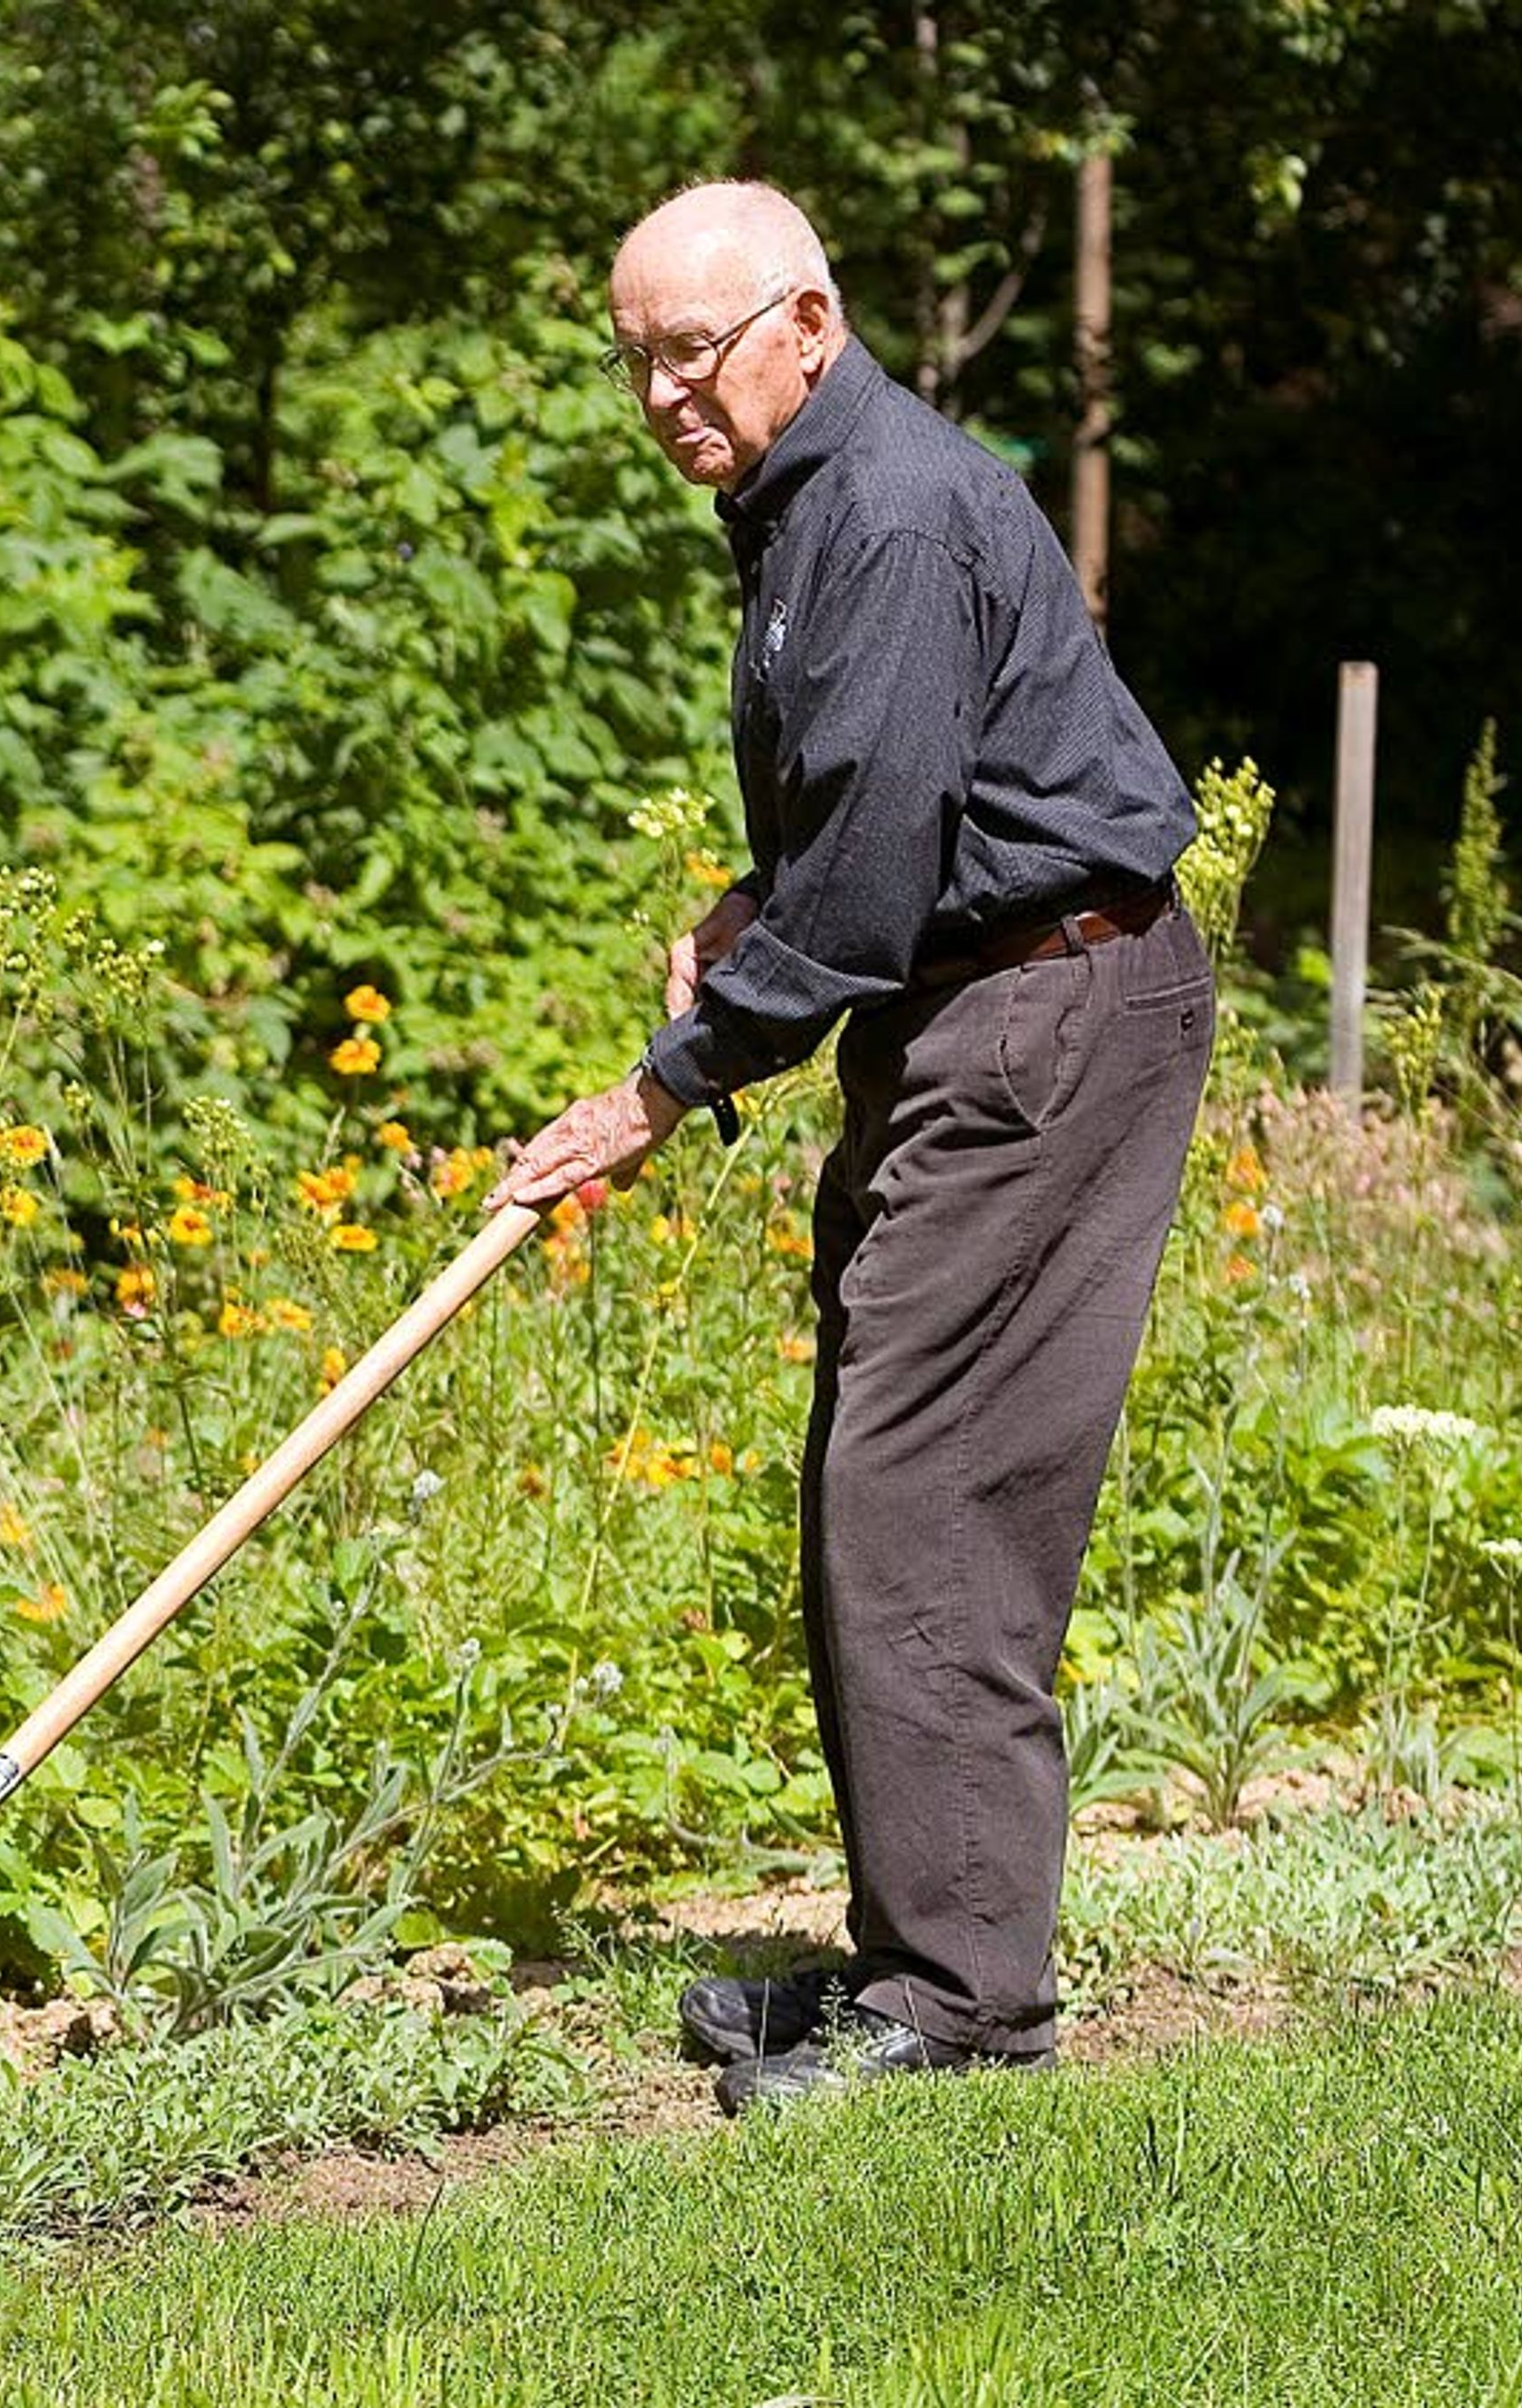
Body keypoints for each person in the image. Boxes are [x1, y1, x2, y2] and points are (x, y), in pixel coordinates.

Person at [485, 181, 1215, 2113]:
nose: (660, 391)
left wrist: (666, 1082)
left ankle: (962, 2010)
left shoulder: (879, 506)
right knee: (888, 1471)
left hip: (1045, 1008)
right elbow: (888, 810)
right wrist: (764, 900)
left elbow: (885, 872)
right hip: (969, 1000)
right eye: (632, 358)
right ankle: (923, 1959)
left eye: (692, 349)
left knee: (926, 1489)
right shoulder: (814, 500)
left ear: (806, 321)